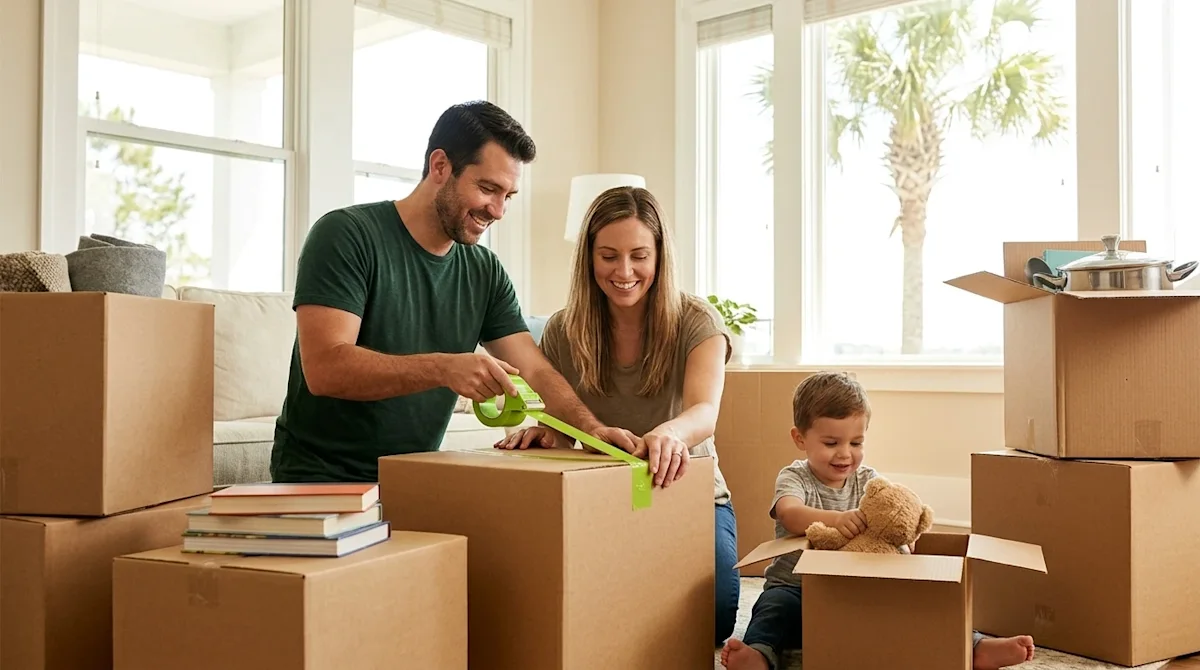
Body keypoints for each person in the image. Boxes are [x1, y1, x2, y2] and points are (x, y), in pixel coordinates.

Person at [270, 101, 641, 484]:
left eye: (508, 196)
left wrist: (591, 429)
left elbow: (533, 369)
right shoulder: (346, 236)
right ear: (440, 166)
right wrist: (445, 369)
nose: (498, 211)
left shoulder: (484, 270)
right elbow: (325, 369)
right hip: (320, 480)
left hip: (414, 479)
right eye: (488, 189)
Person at [493, 185, 741, 646]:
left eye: (639, 256)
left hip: (691, 496)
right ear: (589, 257)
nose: (624, 272)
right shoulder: (564, 330)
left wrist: (669, 434)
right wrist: (544, 435)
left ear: (659, 256)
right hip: (603, 499)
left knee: (716, 615)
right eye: (608, 256)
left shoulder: (697, 321)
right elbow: (564, 427)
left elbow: (704, 411)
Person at [720, 372, 1036, 670]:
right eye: (831, 443)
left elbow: (893, 514)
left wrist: (905, 540)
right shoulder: (795, 477)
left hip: (858, 592)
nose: (845, 454)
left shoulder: (869, 481)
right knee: (772, 608)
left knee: (920, 605)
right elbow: (789, 513)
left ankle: (973, 645)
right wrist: (836, 519)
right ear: (800, 438)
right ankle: (759, 655)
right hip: (798, 589)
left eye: (856, 443)